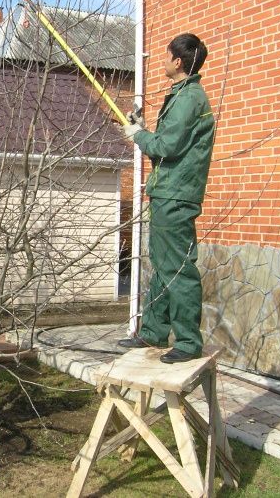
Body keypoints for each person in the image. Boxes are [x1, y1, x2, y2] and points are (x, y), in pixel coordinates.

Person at [119, 33, 215, 364]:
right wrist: (144, 129)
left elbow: (166, 147)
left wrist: (139, 135)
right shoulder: (182, 96)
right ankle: (154, 332)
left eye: (166, 55)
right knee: (162, 266)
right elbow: (169, 142)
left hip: (176, 196)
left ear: (177, 61)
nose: (162, 60)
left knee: (178, 268)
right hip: (167, 192)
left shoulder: (189, 99)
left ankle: (188, 342)